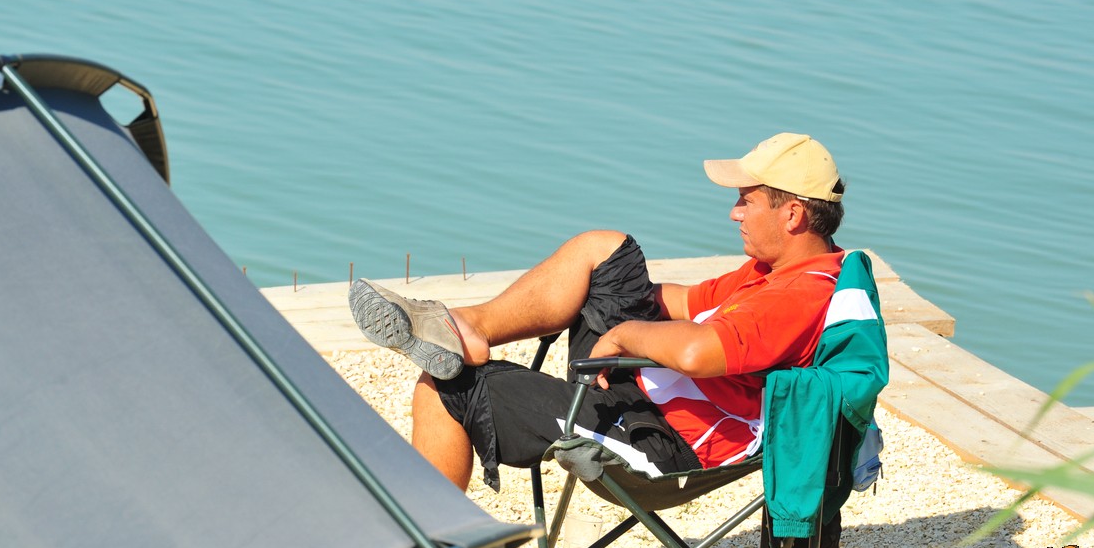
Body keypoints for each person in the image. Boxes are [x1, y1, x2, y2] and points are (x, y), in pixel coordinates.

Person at [349, 132, 848, 491]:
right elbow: (684, 302)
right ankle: (468, 325)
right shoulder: (772, 271)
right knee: (604, 250)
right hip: (650, 388)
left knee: (444, 387)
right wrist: (600, 293)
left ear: (792, 214)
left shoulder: (797, 295)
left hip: (667, 439)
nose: (734, 212)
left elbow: (696, 353)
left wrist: (624, 333)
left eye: (746, 201)